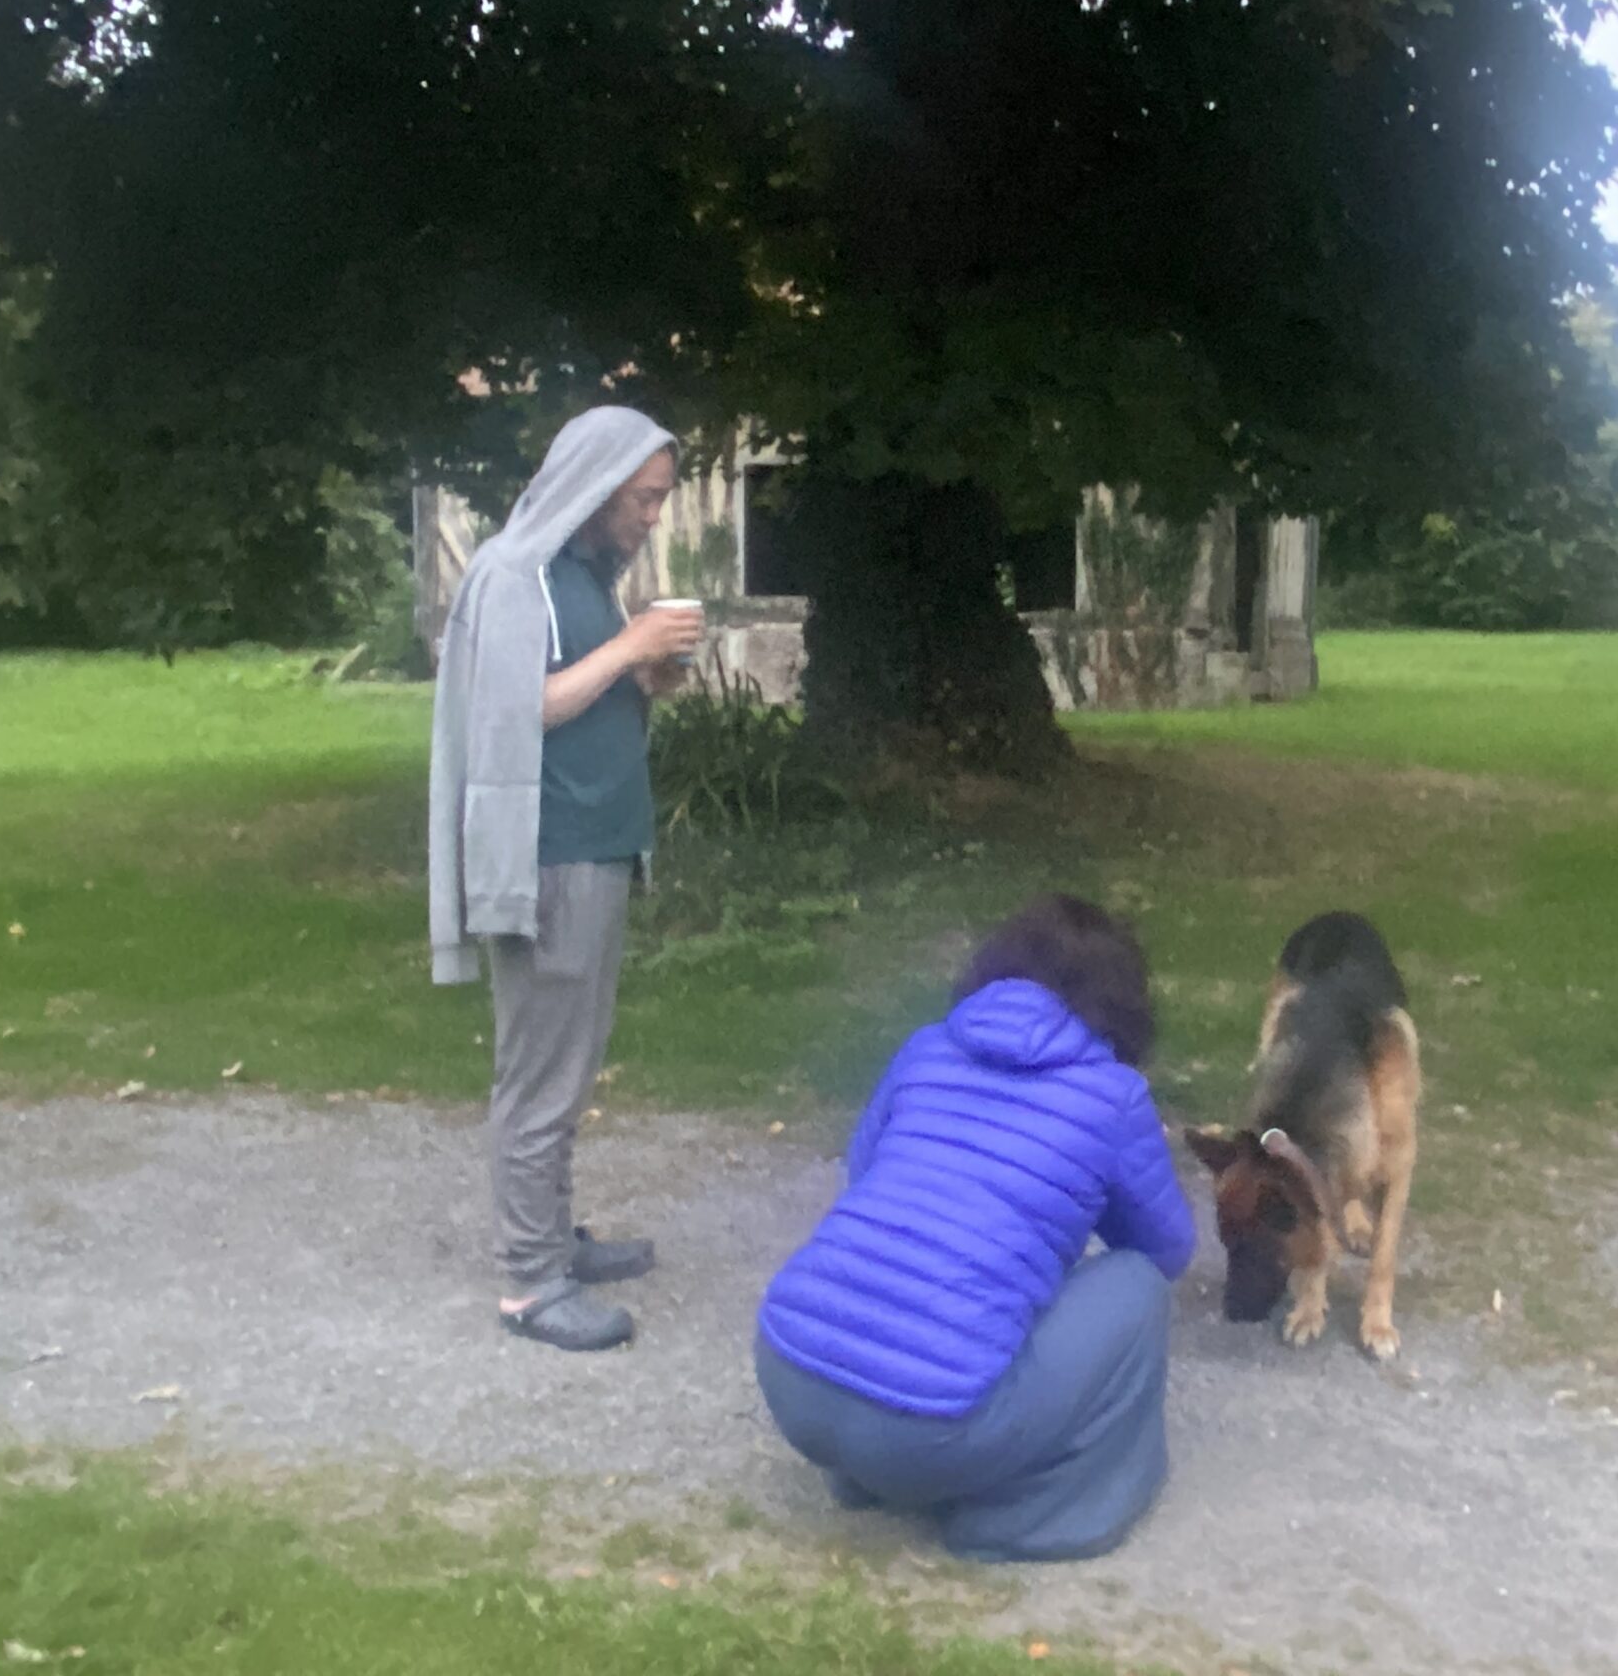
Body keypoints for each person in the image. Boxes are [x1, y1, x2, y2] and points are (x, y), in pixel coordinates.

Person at [753, 895, 1196, 1562]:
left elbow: (864, 1171)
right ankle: (1034, 1515)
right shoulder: (1112, 1095)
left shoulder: (925, 1049)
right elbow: (1165, 1249)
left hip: (790, 1377)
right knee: (1135, 1285)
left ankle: (863, 1470)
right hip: (929, 1430)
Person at [427, 405, 705, 1353]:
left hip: (597, 848)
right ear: (595, 486)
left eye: (661, 499)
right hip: (546, 855)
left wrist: (645, 673)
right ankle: (530, 1281)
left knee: (570, 1063)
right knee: (540, 1074)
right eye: (643, 499)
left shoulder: (581, 577)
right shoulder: (515, 575)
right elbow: (513, 710)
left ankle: (552, 1239)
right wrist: (630, 648)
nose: (652, 517)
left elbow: (580, 691)